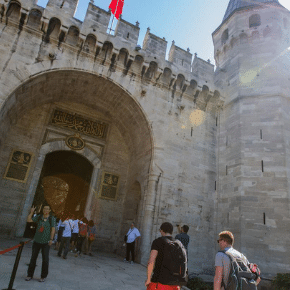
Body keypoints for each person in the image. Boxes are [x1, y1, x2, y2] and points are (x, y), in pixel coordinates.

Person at [145, 222, 187, 290]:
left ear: (161, 230)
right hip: (175, 284)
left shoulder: (158, 241)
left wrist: (148, 279)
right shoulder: (179, 243)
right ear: (171, 232)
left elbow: (151, 261)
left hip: (159, 283)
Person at [25, 204, 56, 283]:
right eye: (44, 209)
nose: (45, 210)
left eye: (47, 209)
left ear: (49, 210)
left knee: (45, 259)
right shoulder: (39, 217)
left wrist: (51, 239)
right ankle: (29, 275)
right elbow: (29, 221)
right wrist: (31, 212)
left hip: (46, 242)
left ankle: (43, 276)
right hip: (36, 241)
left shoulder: (51, 219)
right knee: (33, 258)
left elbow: (53, 229)